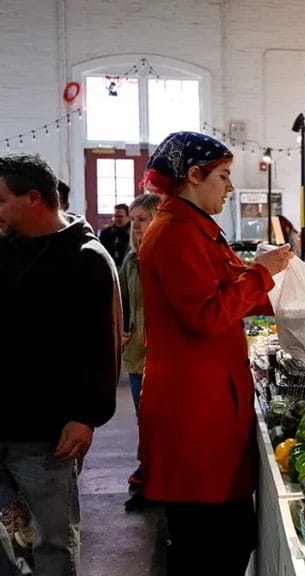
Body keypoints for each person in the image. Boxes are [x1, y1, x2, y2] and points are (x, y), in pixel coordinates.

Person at [137, 132, 293, 575]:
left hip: (208, 403)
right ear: (193, 175)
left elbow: (225, 291)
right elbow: (206, 315)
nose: (229, 186)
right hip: (194, 412)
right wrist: (261, 274)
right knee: (210, 544)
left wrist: (273, 282)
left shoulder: (196, 229)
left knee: (226, 535)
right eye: (223, 176)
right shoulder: (175, 234)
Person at [0, 153, 121, 574]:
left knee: (51, 544)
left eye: (0, 201)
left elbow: (101, 347)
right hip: (4, 420)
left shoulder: (86, 258)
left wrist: (86, 415)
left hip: (47, 435)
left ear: (32, 198)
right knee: (6, 545)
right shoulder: (6, 247)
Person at [119, 192, 162, 511]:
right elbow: (121, 299)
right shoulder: (131, 261)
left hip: (162, 356)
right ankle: (149, 474)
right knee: (143, 419)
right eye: (132, 221)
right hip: (136, 356)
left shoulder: (164, 257)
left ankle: (157, 480)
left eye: (142, 219)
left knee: (157, 420)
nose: (135, 226)